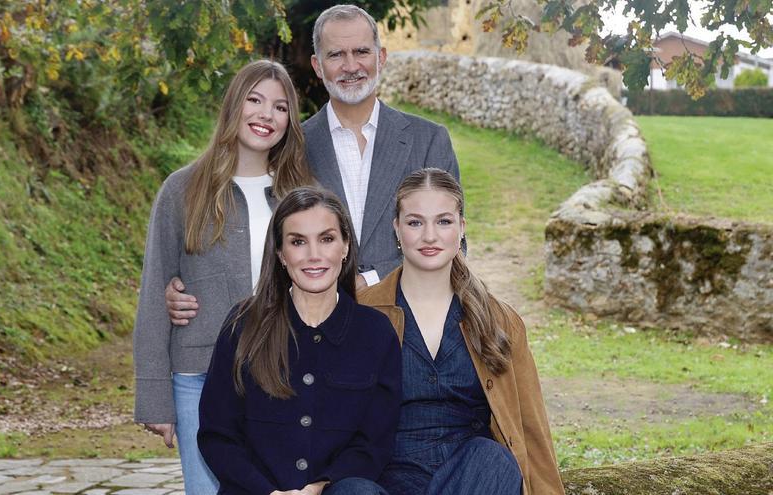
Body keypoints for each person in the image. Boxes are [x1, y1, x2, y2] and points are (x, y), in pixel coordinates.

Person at [165, 4, 460, 326]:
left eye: (361, 51)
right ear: (318, 66)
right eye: (336, 55)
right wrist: (191, 282)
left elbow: (456, 244)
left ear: (381, 57)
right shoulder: (290, 145)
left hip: (412, 322)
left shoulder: (429, 140)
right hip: (312, 331)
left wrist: (373, 280)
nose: (351, 66)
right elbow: (252, 222)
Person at [132, 60, 314, 495]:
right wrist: (155, 398)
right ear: (233, 105)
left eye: (280, 107)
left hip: (284, 374)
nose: (265, 115)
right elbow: (156, 292)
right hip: (200, 377)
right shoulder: (183, 190)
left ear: (290, 121)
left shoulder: (302, 194)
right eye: (254, 100)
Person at [358, 168, 565, 495]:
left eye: (443, 221)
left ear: (462, 228)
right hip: (385, 478)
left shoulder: (500, 320)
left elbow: (532, 431)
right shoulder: (359, 314)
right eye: (415, 222)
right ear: (396, 229)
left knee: (492, 458)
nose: (429, 236)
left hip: (474, 481)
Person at [197, 187, 402, 495]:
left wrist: (318, 487)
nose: (314, 255)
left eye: (327, 239)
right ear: (280, 253)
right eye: (297, 242)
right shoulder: (243, 324)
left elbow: (374, 442)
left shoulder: (376, 332)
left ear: (346, 246)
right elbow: (218, 434)